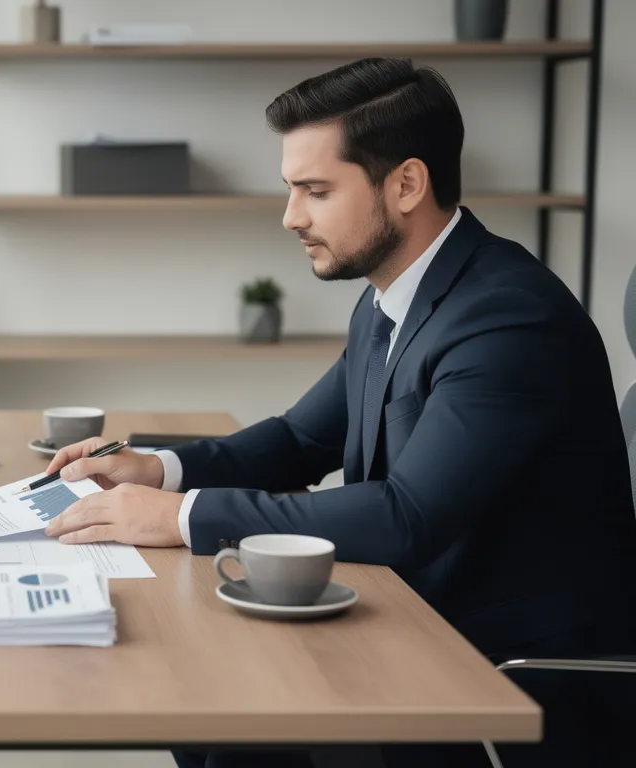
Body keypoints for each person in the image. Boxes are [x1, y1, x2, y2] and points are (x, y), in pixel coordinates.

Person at [43, 58, 636, 767]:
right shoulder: (393, 296)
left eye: (315, 191)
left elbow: (405, 516)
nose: (291, 217)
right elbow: (300, 438)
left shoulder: (507, 318)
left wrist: (177, 518)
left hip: (504, 681)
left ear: (407, 183)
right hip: (417, 630)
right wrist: (159, 468)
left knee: (230, 713)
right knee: (207, 698)